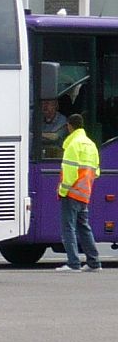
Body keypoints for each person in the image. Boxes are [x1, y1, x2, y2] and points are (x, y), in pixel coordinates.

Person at [56, 113, 102, 272]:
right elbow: (96, 172)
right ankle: (94, 262)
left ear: (69, 126)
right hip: (85, 193)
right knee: (84, 227)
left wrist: (63, 191)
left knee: (68, 228)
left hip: (71, 193)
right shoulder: (91, 144)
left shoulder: (73, 145)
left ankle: (73, 263)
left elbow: (70, 172)